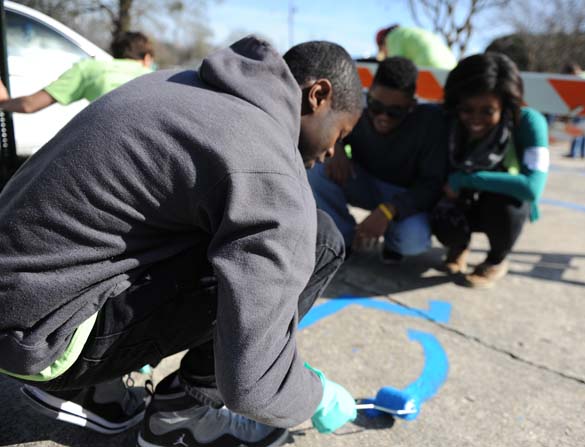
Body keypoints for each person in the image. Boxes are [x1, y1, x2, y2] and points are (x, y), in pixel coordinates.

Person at [0, 37, 363, 447]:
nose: (335, 150)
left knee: (203, 224)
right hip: (45, 336)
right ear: (318, 95)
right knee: (321, 239)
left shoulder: (180, 84)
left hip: (22, 305)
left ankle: (95, 389)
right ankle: (182, 412)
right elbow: (254, 385)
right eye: (342, 131)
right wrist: (313, 394)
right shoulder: (270, 168)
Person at [307, 56, 446, 263]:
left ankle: (392, 242)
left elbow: (432, 185)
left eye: (395, 112)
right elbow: (327, 126)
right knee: (318, 168)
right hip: (364, 182)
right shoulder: (354, 106)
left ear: (412, 105)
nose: (383, 117)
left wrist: (389, 210)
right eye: (375, 106)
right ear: (368, 95)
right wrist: (336, 146)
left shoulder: (431, 123)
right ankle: (342, 239)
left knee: (412, 241)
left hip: (404, 194)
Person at [432, 53, 549, 288]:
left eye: (487, 111)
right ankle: (458, 245)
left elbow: (531, 187)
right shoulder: (447, 121)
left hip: (499, 206)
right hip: (462, 200)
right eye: (467, 110)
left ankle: (496, 259)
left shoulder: (529, 122)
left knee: (510, 203)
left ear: (505, 106)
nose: (475, 119)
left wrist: (465, 179)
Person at [0, 31, 154, 113]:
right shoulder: (157, 78)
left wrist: (4, 102)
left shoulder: (89, 68)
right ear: (147, 58)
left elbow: (29, 105)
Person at [376, 24, 456, 69]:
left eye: (381, 50)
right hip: (451, 64)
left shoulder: (392, 37)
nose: (385, 54)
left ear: (383, 42)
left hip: (429, 64)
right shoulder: (408, 32)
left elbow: (396, 65)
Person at [562, 62, 585, 159]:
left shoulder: (580, 78)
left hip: (580, 108)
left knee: (577, 129)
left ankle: (574, 152)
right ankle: (583, 153)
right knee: (583, 131)